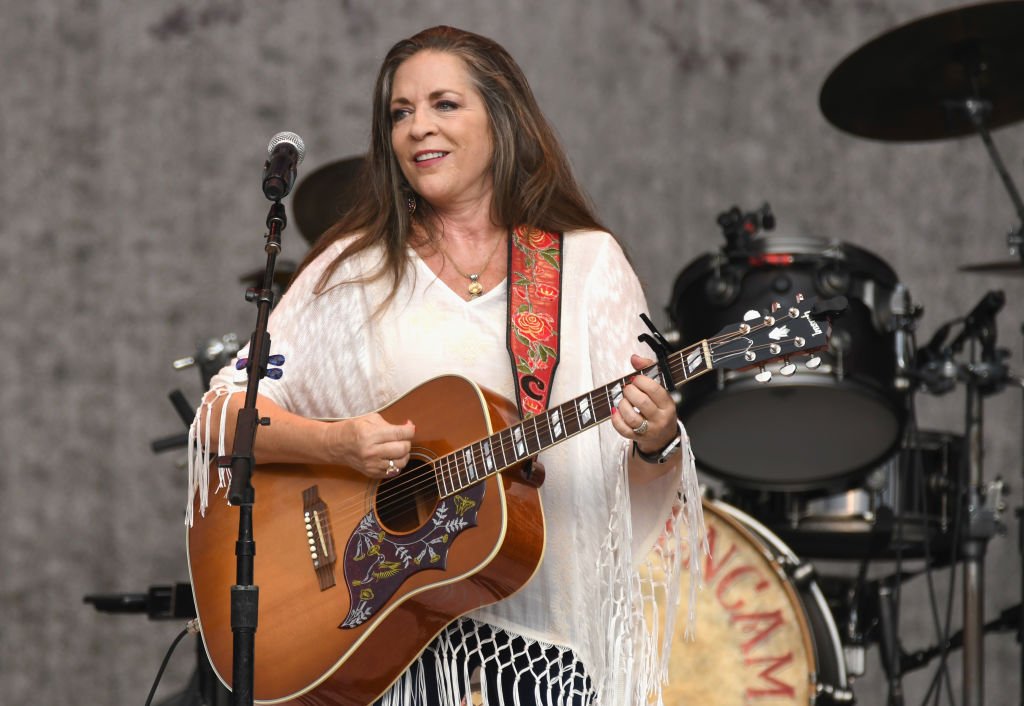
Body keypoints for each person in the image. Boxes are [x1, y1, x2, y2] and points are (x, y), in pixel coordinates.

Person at [188, 25, 704, 706]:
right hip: (399, 644)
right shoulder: (355, 273)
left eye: (444, 104)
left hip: (545, 654)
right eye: (400, 112)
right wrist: (337, 443)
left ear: (502, 118)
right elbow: (223, 414)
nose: (417, 128)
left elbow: (627, 482)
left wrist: (656, 438)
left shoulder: (586, 267)